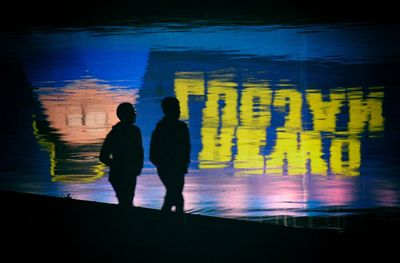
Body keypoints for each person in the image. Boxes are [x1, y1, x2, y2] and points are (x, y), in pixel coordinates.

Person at [150, 97, 190, 213]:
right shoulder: (162, 129)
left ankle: (166, 224)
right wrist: (164, 166)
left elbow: (186, 148)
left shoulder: (180, 127)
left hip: (177, 169)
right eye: (177, 109)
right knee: (176, 197)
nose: (179, 111)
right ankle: (177, 226)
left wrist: (183, 165)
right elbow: (154, 154)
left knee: (173, 196)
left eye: (179, 108)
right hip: (170, 169)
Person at [99, 102, 144, 207]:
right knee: (127, 201)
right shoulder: (131, 132)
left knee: (125, 201)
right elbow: (103, 156)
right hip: (123, 174)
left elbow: (103, 157)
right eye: (132, 113)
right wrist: (121, 166)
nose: (134, 115)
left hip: (126, 173)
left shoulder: (126, 132)